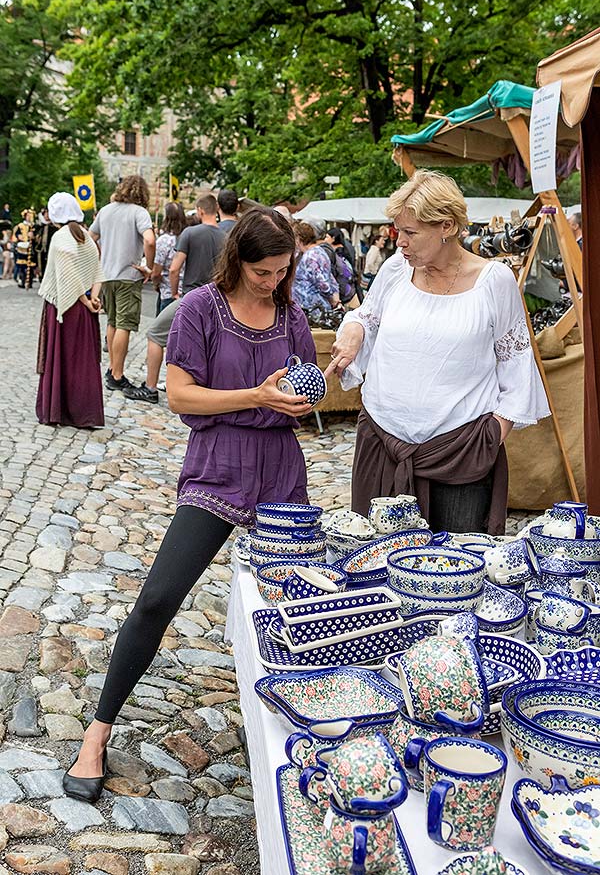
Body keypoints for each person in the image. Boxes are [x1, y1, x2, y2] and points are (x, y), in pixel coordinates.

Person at [63, 207, 317, 802]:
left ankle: (303, 745)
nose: (273, 282)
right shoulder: (201, 308)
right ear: (237, 260)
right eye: (263, 272)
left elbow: (306, 380)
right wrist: (254, 395)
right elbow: (180, 395)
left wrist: (308, 396)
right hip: (219, 465)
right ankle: (96, 736)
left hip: (281, 468)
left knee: (298, 612)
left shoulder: (290, 313)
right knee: (156, 599)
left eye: (282, 272)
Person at [326, 170, 550, 535]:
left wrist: (492, 434)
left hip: (459, 455)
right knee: (373, 571)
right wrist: (353, 330)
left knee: (454, 575)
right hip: (382, 443)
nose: (399, 242)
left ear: (446, 225)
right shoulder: (396, 269)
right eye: (398, 231)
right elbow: (368, 315)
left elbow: (517, 364)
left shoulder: (494, 282)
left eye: (410, 233)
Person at [122, 192, 226, 403]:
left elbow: (174, 268)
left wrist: (175, 291)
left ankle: (150, 387)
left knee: (155, 334)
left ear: (200, 211)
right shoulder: (226, 237)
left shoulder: (190, 233)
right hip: (218, 298)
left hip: (192, 297)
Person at [35, 192, 105, 428]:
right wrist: (94, 299)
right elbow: (98, 270)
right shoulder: (86, 236)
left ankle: (59, 410)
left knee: (63, 357)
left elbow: (69, 277)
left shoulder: (61, 238)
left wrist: (86, 300)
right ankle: (84, 411)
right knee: (81, 360)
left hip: (65, 309)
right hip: (84, 310)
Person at [89, 175, 155, 392]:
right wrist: (149, 265)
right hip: (128, 276)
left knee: (112, 322)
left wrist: (101, 258)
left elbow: (91, 237)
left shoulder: (106, 210)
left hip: (107, 275)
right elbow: (150, 239)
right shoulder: (139, 212)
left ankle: (111, 369)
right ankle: (117, 375)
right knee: (124, 325)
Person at [292, 221, 340, 314]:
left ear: (299, 238)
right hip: (312, 307)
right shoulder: (318, 251)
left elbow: (323, 283)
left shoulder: (311, 256)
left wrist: (332, 299)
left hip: (313, 308)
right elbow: (330, 277)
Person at [149, 202, 187, 314]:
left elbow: (156, 272)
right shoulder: (188, 237)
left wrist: (156, 284)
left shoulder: (164, 240)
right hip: (187, 291)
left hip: (168, 292)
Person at [12, 209, 36, 289]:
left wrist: (33, 236)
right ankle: (22, 280)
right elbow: (17, 234)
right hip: (22, 247)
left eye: (30, 216)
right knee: (22, 265)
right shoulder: (20, 225)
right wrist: (20, 237)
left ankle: (29, 281)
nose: (29, 218)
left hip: (31, 248)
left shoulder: (34, 226)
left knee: (31, 265)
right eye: (28, 216)